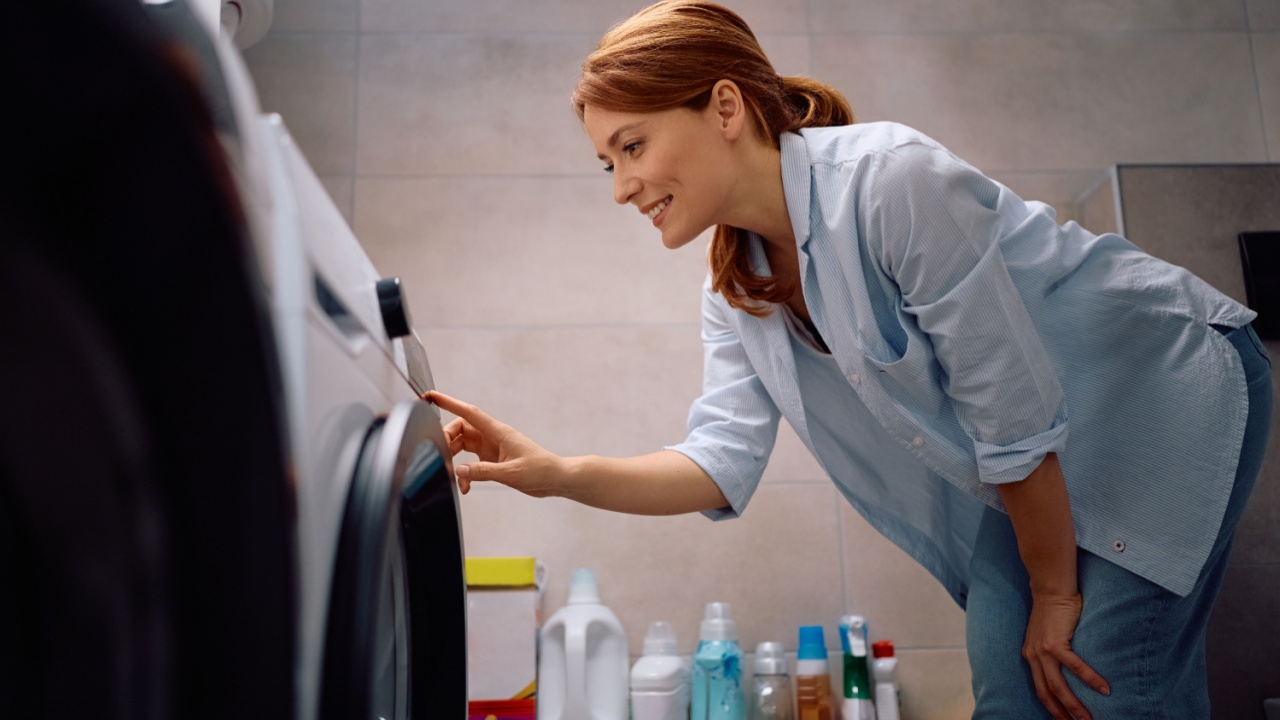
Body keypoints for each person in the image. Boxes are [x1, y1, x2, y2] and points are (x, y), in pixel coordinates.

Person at [426, 2, 1272, 718]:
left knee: (1104, 687)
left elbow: (1009, 411)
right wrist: (556, 471)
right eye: (607, 162)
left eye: (634, 147)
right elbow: (718, 465)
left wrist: (1055, 594)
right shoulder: (737, 289)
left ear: (724, 107)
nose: (620, 187)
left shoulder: (890, 181)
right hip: (1030, 461)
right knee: (1012, 694)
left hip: (1152, 393)